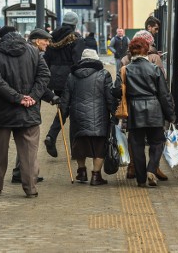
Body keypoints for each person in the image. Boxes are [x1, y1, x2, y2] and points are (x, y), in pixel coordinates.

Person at [0, 30, 49, 198]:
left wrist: (17, 98)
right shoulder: (34, 52)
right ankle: (30, 188)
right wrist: (32, 97)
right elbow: (44, 75)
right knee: (29, 153)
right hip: (29, 111)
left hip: (4, 111)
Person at [112, 37, 175, 188]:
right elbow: (164, 95)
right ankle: (152, 169)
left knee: (136, 145)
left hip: (134, 111)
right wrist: (170, 115)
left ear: (131, 52)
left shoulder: (125, 70)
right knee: (157, 142)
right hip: (155, 109)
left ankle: (141, 180)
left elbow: (115, 91)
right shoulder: (155, 69)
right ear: (146, 51)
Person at [59, 49, 114, 186]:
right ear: (97, 59)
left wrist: (61, 115)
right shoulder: (104, 74)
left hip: (78, 117)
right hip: (100, 118)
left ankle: (81, 172)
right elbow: (110, 98)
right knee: (99, 146)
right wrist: (115, 114)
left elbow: (65, 100)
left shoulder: (72, 76)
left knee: (80, 145)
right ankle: (96, 176)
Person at [10, 28, 58, 184]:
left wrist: (50, 97)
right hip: (26, 103)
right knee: (28, 141)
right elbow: (39, 81)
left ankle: (20, 171)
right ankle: (26, 175)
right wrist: (33, 97)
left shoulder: (29, 53)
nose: (48, 43)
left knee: (25, 140)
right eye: (46, 40)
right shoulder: (33, 55)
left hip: (20, 101)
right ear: (37, 40)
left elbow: (37, 83)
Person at [43, 11, 85, 158]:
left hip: (55, 79)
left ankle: (51, 136)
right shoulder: (76, 39)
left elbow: (46, 60)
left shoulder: (51, 37)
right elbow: (77, 61)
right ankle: (75, 150)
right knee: (72, 111)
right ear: (75, 23)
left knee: (64, 108)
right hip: (70, 78)